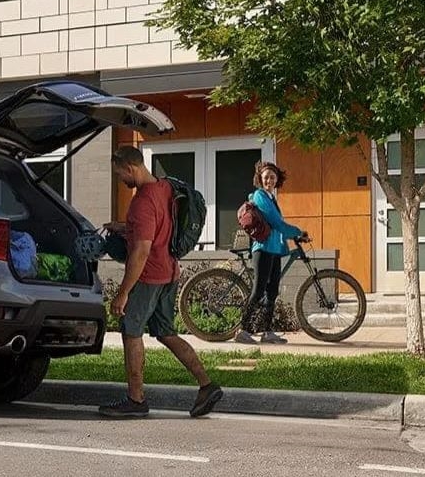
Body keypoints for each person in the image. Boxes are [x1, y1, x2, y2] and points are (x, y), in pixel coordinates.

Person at [99, 146, 222, 419]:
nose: (121, 179)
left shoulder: (142, 202)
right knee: (166, 333)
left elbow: (141, 253)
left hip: (149, 276)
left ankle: (136, 399)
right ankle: (207, 384)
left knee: (131, 331)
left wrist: (123, 294)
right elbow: (158, 226)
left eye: (120, 174)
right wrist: (125, 227)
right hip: (170, 272)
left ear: (130, 168)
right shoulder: (165, 187)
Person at [239, 161, 307, 345]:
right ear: (260, 179)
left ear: (277, 180)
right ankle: (242, 329)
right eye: (266, 177)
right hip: (262, 248)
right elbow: (277, 224)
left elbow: (278, 227)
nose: (269, 180)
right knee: (259, 289)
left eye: (272, 177)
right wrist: (298, 232)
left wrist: (294, 234)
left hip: (275, 249)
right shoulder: (260, 196)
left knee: (272, 291)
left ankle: (267, 332)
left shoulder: (271, 198)